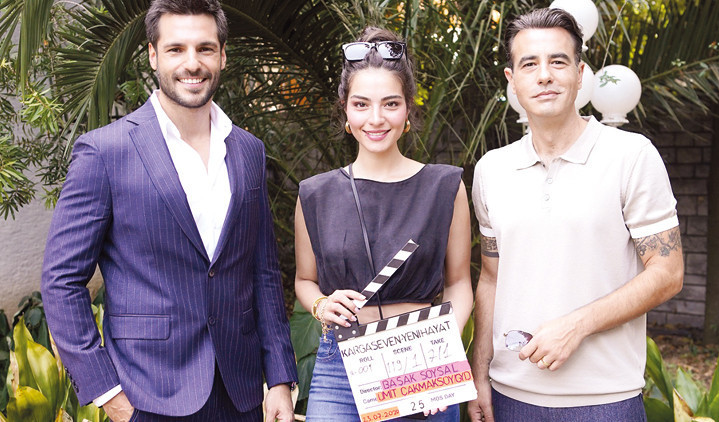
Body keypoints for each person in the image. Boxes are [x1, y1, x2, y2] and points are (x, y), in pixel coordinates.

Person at [40, 1, 297, 420]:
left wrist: (281, 379)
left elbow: (263, 272)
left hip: (241, 394)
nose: (192, 63)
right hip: (148, 396)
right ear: (153, 55)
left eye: (205, 48)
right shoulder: (105, 152)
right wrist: (109, 394)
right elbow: (61, 281)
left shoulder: (249, 150)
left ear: (223, 55)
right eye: (176, 49)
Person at [468, 8, 684, 422]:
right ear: (512, 80)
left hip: (605, 401)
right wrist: (480, 374)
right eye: (529, 64)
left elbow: (668, 272)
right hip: (511, 398)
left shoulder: (631, 156)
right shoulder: (491, 170)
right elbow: (491, 278)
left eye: (558, 61)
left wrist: (577, 324)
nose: (544, 75)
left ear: (580, 73)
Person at [294, 27, 474, 421]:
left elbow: (459, 283)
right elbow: (304, 280)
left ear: (408, 109)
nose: (375, 119)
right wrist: (321, 305)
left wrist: (440, 353)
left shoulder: (444, 187)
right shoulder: (315, 194)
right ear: (345, 110)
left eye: (390, 104)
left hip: (421, 356)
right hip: (341, 365)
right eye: (361, 104)